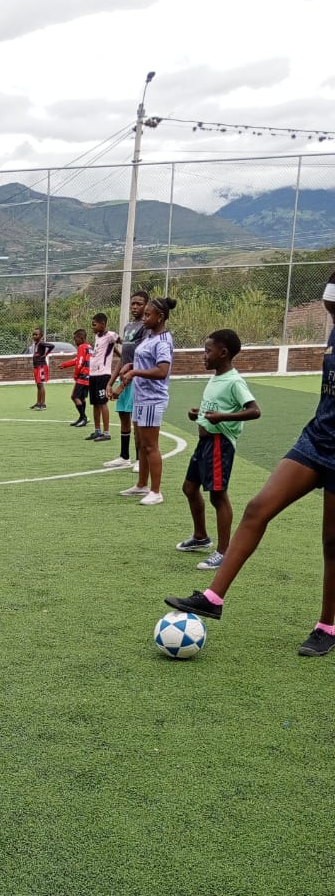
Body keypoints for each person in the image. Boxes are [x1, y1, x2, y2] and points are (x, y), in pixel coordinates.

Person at [165, 271, 335, 657]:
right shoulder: (334, 334)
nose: (329, 313)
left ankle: (327, 625)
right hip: (316, 440)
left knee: (332, 541)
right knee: (258, 508)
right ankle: (213, 597)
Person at [174, 330, 261, 571]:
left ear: (223, 353)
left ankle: (224, 551)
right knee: (189, 488)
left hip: (219, 444)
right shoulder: (216, 378)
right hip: (205, 443)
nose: (204, 355)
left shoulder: (234, 381)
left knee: (218, 496)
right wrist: (198, 414)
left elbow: (254, 410)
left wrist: (223, 416)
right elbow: (213, 408)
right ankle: (200, 536)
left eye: (207, 351)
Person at [117, 296, 176, 504]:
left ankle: (156, 491)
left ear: (160, 317)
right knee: (141, 444)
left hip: (153, 398)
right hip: (141, 397)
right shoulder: (150, 337)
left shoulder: (163, 341)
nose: (144, 318)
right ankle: (141, 485)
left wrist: (135, 373)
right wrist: (131, 366)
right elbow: (145, 362)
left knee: (151, 445)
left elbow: (162, 371)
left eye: (148, 315)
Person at [106, 290, 150, 470]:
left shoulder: (146, 328)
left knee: (136, 420)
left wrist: (122, 386)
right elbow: (124, 358)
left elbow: (141, 358)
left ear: (146, 306)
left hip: (136, 379)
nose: (135, 307)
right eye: (133, 303)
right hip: (124, 378)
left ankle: (140, 459)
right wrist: (111, 382)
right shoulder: (128, 327)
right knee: (123, 415)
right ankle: (124, 457)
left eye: (139, 304)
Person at [86, 313, 117, 443]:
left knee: (102, 402)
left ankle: (106, 432)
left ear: (102, 324)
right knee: (95, 403)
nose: (92, 327)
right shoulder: (97, 337)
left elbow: (120, 343)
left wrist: (124, 357)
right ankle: (97, 430)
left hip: (103, 374)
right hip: (93, 374)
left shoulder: (111, 335)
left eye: (94, 325)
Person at [59, 329, 91, 427]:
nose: (75, 341)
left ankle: (84, 417)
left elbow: (79, 362)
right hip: (89, 376)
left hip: (83, 376)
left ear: (81, 338)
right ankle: (81, 418)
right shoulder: (89, 347)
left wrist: (76, 375)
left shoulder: (81, 347)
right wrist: (65, 364)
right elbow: (77, 360)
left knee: (74, 396)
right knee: (81, 398)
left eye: (75, 339)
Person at [29, 329, 54, 410]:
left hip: (41, 366)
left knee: (40, 384)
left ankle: (43, 404)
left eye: (36, 334)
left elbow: (51, 346)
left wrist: (46, 354)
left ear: (41, 336)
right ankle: (38, 403)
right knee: (38, 385)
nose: (34, 336)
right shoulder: (36, 344)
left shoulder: (41, 343)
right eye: (33, 334)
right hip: (36, 366)